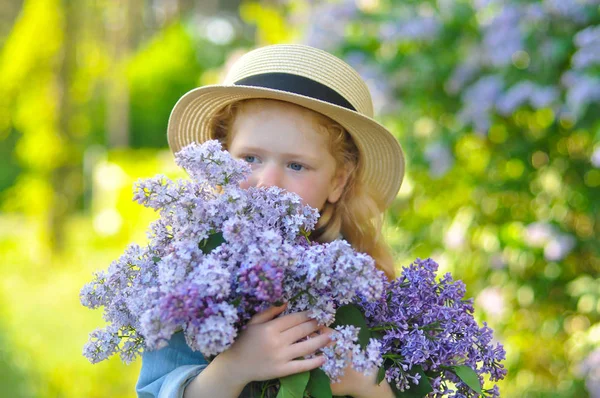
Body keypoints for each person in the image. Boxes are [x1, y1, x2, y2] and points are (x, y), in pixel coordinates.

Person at [136, 44, 405, 398]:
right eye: (250, 158)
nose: (269, 183)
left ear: (338, 181)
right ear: (218, 161)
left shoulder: (362, 278)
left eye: (296, 165)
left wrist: (364, 382)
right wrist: (236, 367)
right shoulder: (189, 270)